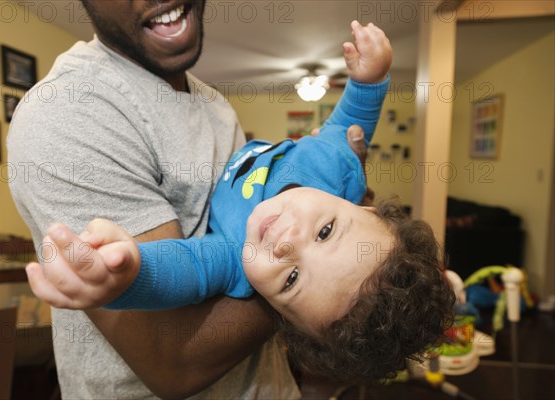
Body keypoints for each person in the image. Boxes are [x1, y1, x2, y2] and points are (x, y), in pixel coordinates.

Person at [26, 22, 455, 384]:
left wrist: (125, 275)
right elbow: (348, 124)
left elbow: (185, 267)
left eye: (290, 281)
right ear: (362, 205)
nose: (286, 245)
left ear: (278, 313)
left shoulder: (236, 256)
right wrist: (369, 80)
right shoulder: (339, 170)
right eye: (324, 232)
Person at [8, 0, 301, 398]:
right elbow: (175, 357)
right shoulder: (67, 110)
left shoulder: (215, 104)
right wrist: (312, 266)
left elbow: (245, 238)